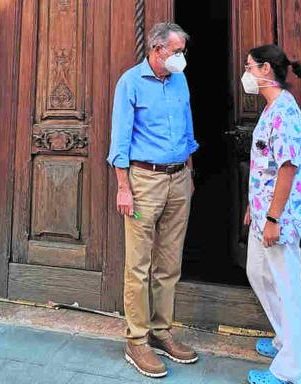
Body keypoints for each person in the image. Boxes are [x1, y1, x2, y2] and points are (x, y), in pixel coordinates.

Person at [107, 22, 199, 378]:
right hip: (143, 180)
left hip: (178, 178)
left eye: (182, 51)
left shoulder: (180, 81)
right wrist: (123, 187)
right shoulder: (130, 82)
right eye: (176, 52)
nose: (181, 58)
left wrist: (189, 172)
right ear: (157, 50)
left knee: (169, 262)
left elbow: (188, 127)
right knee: (139, 264)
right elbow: (120, 140)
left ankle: (162, 332)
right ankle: (137, 339)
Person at [242, 44, 301, 384]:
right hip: (263, 212)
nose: (245, 74)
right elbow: (267, 164)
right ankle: (283, 339)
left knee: (288, 285)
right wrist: (253, 204)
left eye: (249, 66)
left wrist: (274, 218)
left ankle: (289, 370)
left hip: (281, 218)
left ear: (265, 70)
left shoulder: (284, 111)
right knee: (258, 273)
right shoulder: (271, 108)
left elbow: (288, 168)